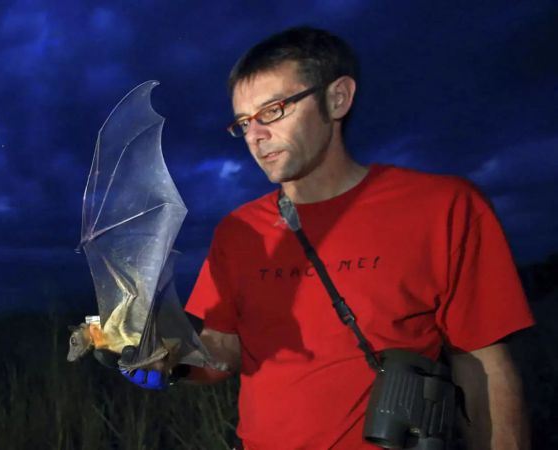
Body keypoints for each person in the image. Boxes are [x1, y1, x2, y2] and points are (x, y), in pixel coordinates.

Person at [121, 26, 535, 449]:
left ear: (337, 98)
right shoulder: (238, 232)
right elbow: (222, 348)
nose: (254, 136)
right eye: (243, 122)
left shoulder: (442, 206)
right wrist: (171, 357)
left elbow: (482, 359)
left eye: (273, 110)